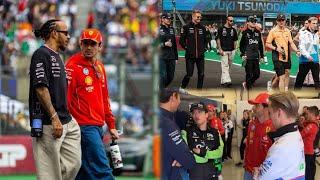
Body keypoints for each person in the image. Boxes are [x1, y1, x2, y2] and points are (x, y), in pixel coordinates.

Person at [29, 19, 81, 180]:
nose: (69, 36)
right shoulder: (41, 54)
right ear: (54, 33)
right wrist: (54, 117)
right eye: (65, 33)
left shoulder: (57, 56)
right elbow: (40, 88)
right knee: (49, 174)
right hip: (48, 123)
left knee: (74, 163)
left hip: (66, 121)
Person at [65, 28, 119, 179]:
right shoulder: (72, 66)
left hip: (97, 126)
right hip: (83, 127)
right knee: (102, 170)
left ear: (100, 46)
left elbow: (104, 98)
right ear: (80, 45)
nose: (89, 47)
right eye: (85, 43)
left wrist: (112, 125)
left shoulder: (100, 67)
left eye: (92, 44)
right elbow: (65, 98)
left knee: (83, 172)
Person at [254, 92, 305, 180]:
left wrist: (256, 175)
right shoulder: (295, 133)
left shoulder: (281, 147)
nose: (270, 117)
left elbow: (261, 178)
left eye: (270, 113)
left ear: (279, 113)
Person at [159, 88, 196, 180]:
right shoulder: (167, 124)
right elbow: (188, 160)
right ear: (172, 98)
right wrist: (185, 159)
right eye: (179, 98)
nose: (179, 102)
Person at [181, 102, 224, 180]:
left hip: (213, 172)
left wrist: (203, 153)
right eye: (194, 113)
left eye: (200, 112)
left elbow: (220, 152)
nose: (196, 115)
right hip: (195, 173)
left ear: (206, 114)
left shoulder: (215, 132)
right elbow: (186, 154)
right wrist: (209, 156)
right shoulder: (186, 132)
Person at [243, 92, 274, 180]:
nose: (253, 108)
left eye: (257, 105)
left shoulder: (274, 127)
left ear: (266, 108)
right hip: (248, 171)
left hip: (265, 173)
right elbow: (248, 145)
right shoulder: (251, 124)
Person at [265, 14, 300, 92]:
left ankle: (272, 88)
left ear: (285, 21)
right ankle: (283, 95)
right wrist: (276, 48)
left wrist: (297, 50)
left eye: (283, 20)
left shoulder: (287, 31)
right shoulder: (273, 31)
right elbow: (267, 44)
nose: (281, 22)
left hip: (286, 56)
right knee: (282, 76)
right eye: (279, 20)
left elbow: (291, 43)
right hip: (277, 56)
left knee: (286, 73)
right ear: (277, 21)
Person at [179, 10, 207, 89]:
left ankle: (199, 91)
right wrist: (187, 49)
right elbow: (181, 41)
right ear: (193, 17)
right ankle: (182, 87)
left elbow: (206, 40)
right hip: (190, 56)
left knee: (201, 74)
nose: (199, 18)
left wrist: (204, 49)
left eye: (200, 17)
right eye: (198, 17)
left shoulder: (203, 28)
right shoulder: (186, 27)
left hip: (200, 56)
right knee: (189, 74)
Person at [239, 15, 264, 89]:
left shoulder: (258, 32)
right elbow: (241, 45)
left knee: (257, 74)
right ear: (248, 23)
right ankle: (248, 89)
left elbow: (260, 45)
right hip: (248, 57)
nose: (254, 22)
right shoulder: (244, 33)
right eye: (252, 21)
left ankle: (247, 83)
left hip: (256, 56)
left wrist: (262, 56)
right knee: (249, 74)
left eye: (255, 21)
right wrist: (242, 54)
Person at [294, 17, 319, 90]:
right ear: (309, 24)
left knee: (317, 79)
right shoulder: (303, 33)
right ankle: (296, 94)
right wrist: (308, 56)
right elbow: (302, 47)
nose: (315, 25)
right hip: (305, 60)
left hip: (315, 60)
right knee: (300, 79)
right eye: (313, 23)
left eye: (316, 23)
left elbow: (316, 46)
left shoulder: (316, 34)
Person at [216, 15, 238, 87]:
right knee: (225, 65)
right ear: (227, 20)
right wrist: (220, 49)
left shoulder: (233, 30)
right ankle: (227, 81)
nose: (232, 22)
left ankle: (223, 81)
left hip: (231, 50)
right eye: (230, 20)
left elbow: (235, 40)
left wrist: (234, 49)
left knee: (229, 66)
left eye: (232, 21)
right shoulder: (221, 29)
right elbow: (218, 39)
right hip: (224, 50)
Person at [159, 13, 178, 88]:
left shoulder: (172, 29)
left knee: (171, 77)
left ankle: (162, 88)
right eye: (168, 18)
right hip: (162, 57)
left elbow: (174, 44)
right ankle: (161, 92)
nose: (170, 20)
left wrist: (176, 57)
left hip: (171, 57)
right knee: (163, 76)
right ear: (162, 19)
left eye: (170, 18)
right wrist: (164, 44)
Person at [300, 106, 319, 180]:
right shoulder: (310, 123)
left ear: (311, 114)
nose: (306, 116)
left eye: (307, 114)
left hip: (308, 153)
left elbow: (301, 134)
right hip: (308, 152)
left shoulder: (312, 125)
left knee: (308, 173)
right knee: (309, 171)